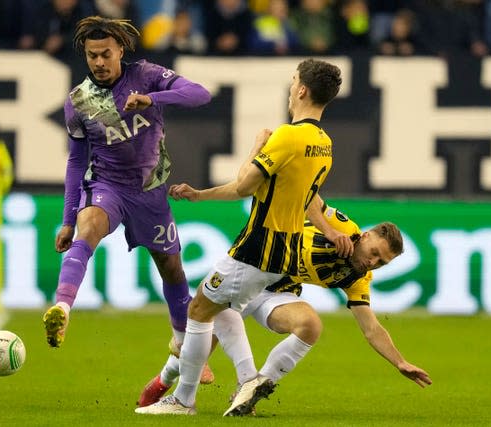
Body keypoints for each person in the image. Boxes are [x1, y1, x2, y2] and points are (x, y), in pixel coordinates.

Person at [135, 58, 343, 416]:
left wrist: (259, 146)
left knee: (198, 309)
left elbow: (245, 186)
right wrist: (199, 194)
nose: (291, 89)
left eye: (293, 82)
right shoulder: (324, 143)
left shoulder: (288, 135)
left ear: (303, 90)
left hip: (259, 245)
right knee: (225, 308)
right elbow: (304, 197)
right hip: (286, 249)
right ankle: (248, 378)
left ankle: (183, 400)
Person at [137, 195, 432, 415]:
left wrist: (400, 362)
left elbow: (371, 328)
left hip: (276, 291)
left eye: (382, 262)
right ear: (365, 236)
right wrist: (328, 231)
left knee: (311, 325)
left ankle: (250, 387)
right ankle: (167, 381)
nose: (373, 262)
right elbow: (309, 197)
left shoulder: (357, 276)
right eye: (375, 253)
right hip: (253, 266)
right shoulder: (343, 226)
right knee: (204, 335)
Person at [41, 15, 215, 381]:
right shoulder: (78, 101)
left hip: (151, 192)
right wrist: (68, 219)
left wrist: (152, 99)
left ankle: (183, 343)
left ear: (120, 49)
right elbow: (76, 162)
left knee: (171, 269)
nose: (99, 63)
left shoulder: (148, 75)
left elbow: (201, 94)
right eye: (92, 56)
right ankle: (61, 307)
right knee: (89, 226)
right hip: (108, 186)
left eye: (106, 54)